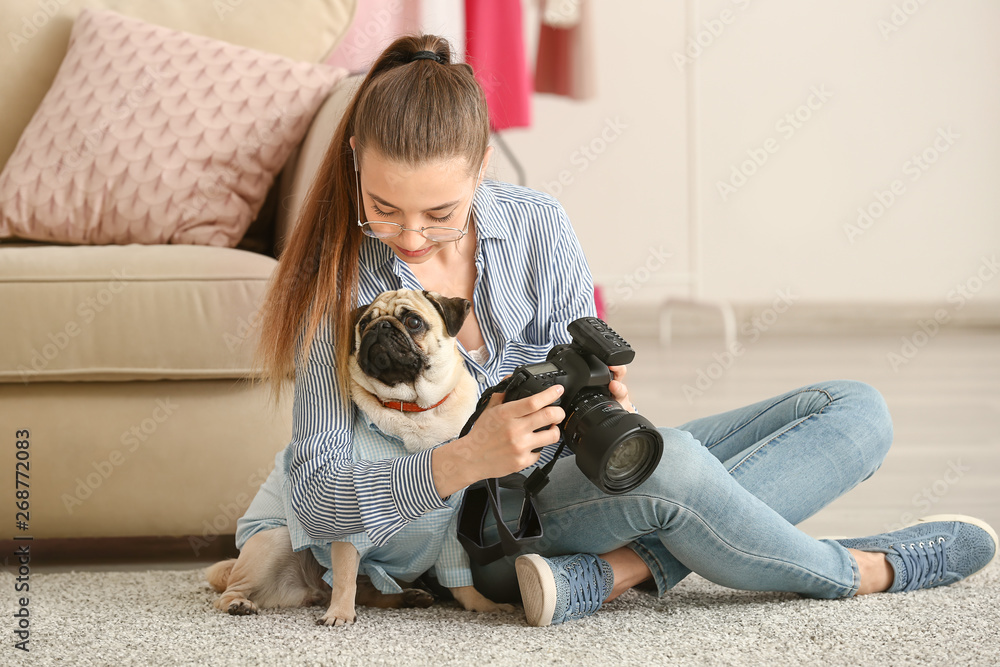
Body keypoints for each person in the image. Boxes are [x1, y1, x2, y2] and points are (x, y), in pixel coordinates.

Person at [240, 34, 998, 627]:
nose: (409, 237)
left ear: (479, 167)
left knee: (856, 407)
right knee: (677, 469)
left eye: (440, 213)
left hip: (565, 472)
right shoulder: (340, 290)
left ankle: (609, 573)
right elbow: (314, 496)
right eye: (384, 207)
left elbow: (583, 364)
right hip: (478, 530)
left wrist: (599, 393)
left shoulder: (538, 224)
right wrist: (461, 459)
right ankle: (866, 569)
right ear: (352, 162)